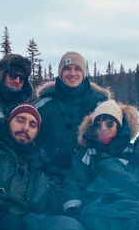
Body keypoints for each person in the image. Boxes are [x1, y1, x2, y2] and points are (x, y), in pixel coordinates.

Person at [33, 51, 111, 183]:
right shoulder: (43, 103)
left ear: (84, 73)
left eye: (77, 69)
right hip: (46, 177)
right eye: (67, 69)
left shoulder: (99, 105)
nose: (72, 73)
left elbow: (114, 138)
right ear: (60, 73)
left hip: (87, 178)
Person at [0, 53, 34, 122]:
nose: (17, 81)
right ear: (1, 75)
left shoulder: (29, 106)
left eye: (22, 78)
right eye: (13, 76)